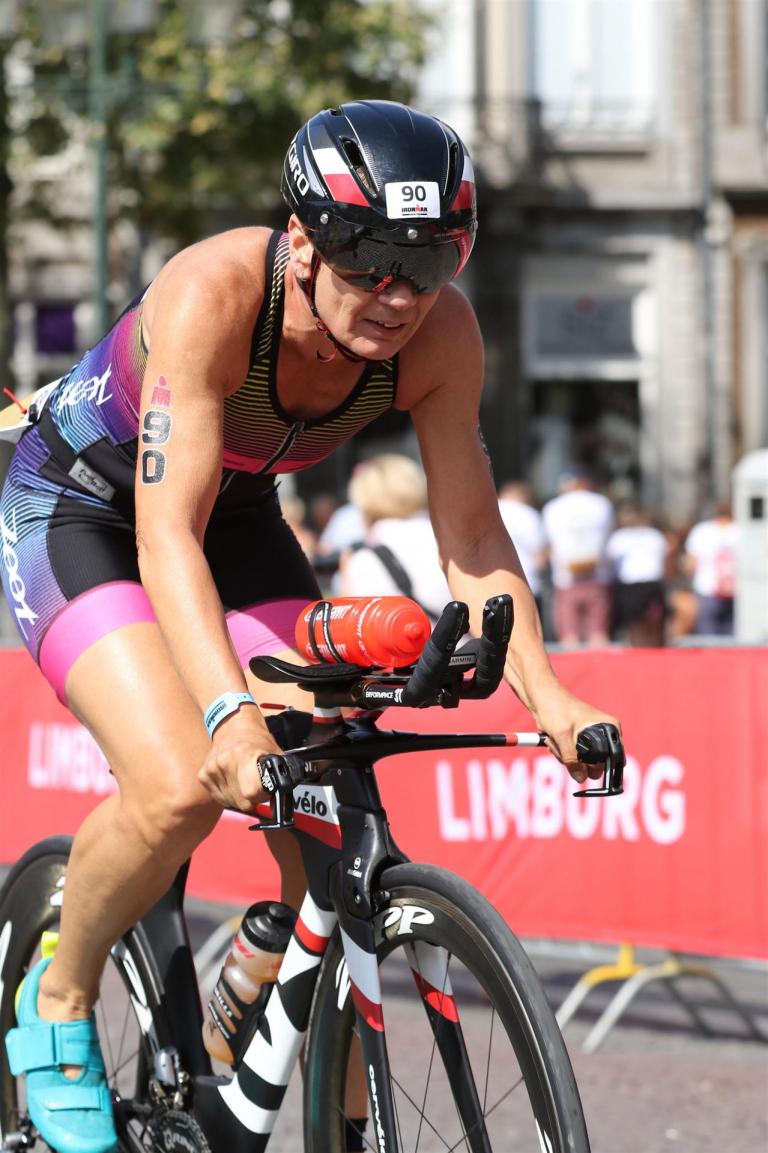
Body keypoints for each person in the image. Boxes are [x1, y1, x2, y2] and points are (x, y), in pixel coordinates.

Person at [0, 99, 621, 1153]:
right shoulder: (212, 292)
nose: (399, 295)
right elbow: (165, 536)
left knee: (329, 820)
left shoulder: (440, 335)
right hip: (82, 511)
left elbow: (473, 532)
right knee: (177, 784)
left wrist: (549, 694)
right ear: (301, 239)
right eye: (371, 260)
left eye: (430, 263)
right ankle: (57, 996)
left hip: (236, 519)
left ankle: (255, 992)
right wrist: (229, 713)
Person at [337, 452, 451, 619]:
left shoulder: (363, 558)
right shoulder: (446, 538)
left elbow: (352, 623)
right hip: (464, 635)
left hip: (417, 636)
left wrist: (346, 576)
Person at [541, 468, 615, 646]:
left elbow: (549, 541)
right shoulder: (602, 504)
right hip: (598, 575)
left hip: (565, 577)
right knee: (598, 634)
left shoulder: (554, 507)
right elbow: (609, 535)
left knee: (569, 636)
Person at [606, 501, 668, 646]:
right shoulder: (653, 535)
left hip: (636, 585)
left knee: (639, 626)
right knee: (646, 625)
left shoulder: (620, 537)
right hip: (646, 584)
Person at [683, 501, 738, 636]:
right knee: (733, 637)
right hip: (737, 590)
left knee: (707, 635)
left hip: (707, 589)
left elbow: (691, 562)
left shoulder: (702, 530)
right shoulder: (742, 530)